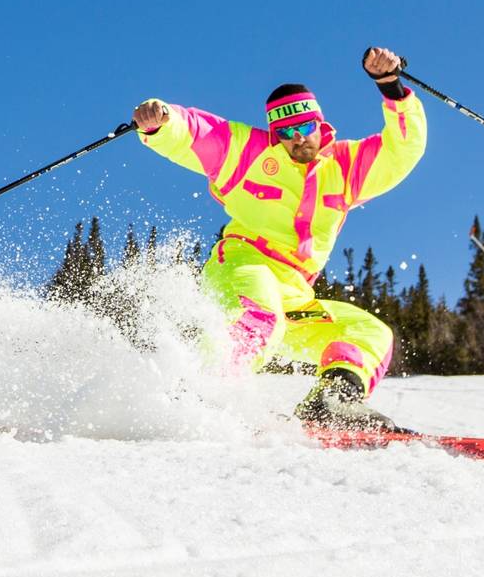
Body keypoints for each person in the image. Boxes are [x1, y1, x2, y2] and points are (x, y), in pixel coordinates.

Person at [132, 47, 426, 430]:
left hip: (295, 293)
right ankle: (198, 398)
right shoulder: (247, 154)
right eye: (285, 133)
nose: (295, 139)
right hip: (242, 265)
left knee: (371, 332)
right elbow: (199, 132)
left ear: (319, 124)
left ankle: (330, 404)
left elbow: (403, 150)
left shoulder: (347, 166)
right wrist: (162, 122)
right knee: (260, 315)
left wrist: (391, 87)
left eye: (303, 127)